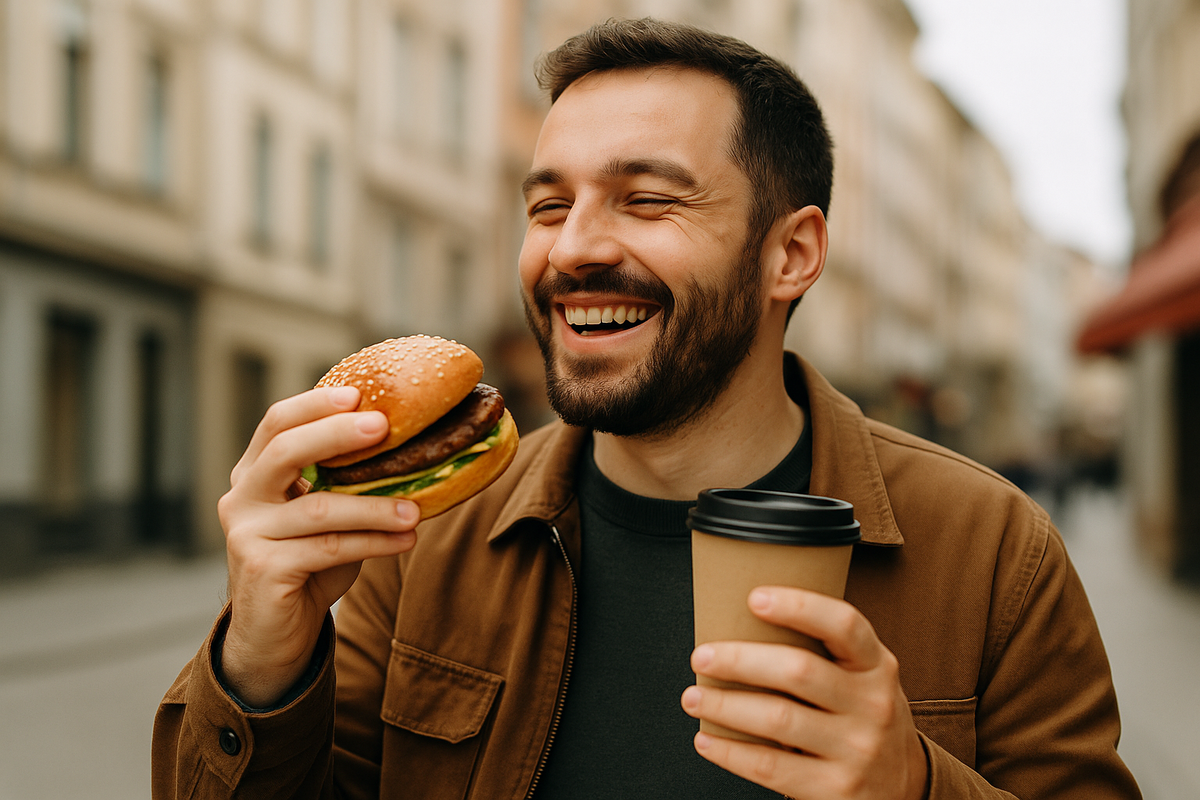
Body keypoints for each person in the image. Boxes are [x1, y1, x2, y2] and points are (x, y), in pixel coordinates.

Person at [152, 18, 1141, 800]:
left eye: (648, 199)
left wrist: (912, 785)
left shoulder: (993, 549)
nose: (573, 247)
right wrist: (261, 661)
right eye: (547, 205)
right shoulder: (423, 542)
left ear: (789, 253)